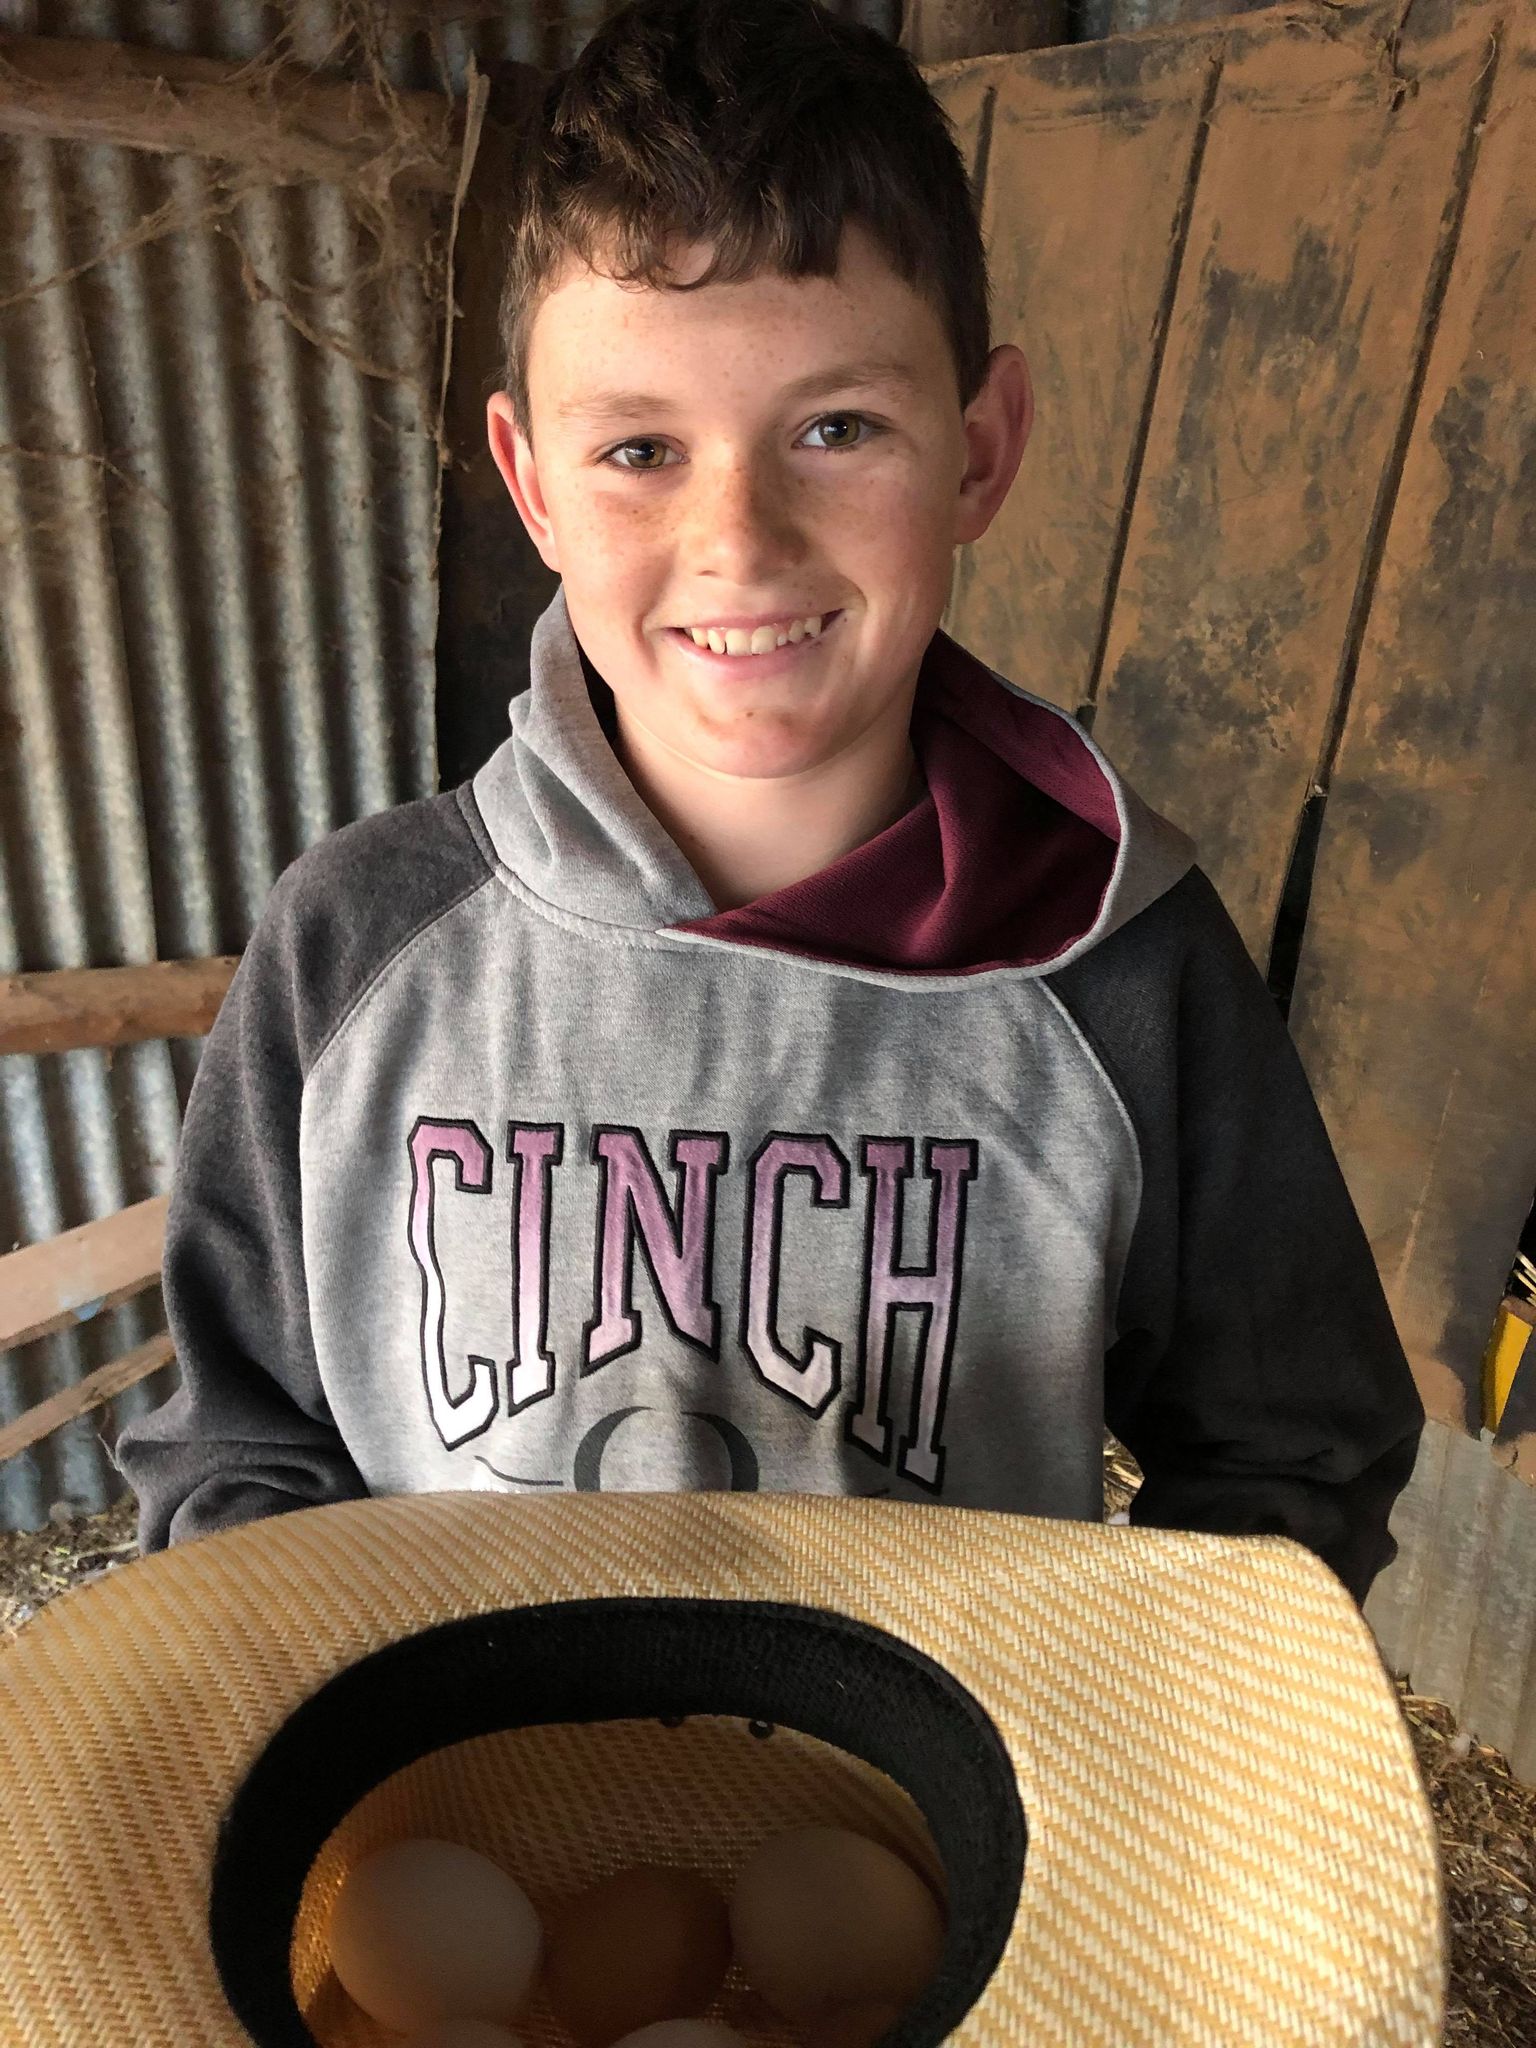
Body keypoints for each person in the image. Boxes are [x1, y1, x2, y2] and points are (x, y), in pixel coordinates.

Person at [113, 0, 1424, 1608]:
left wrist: (1123, 1754)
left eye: (835, 428)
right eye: (643, 448)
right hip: (451, 1817)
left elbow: (1299, 1446)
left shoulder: (1114, 960)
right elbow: (239, 1442)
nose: (741, 539)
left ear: (982, 449)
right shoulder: (356, 948)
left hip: (931, 1842)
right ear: (530, 485)